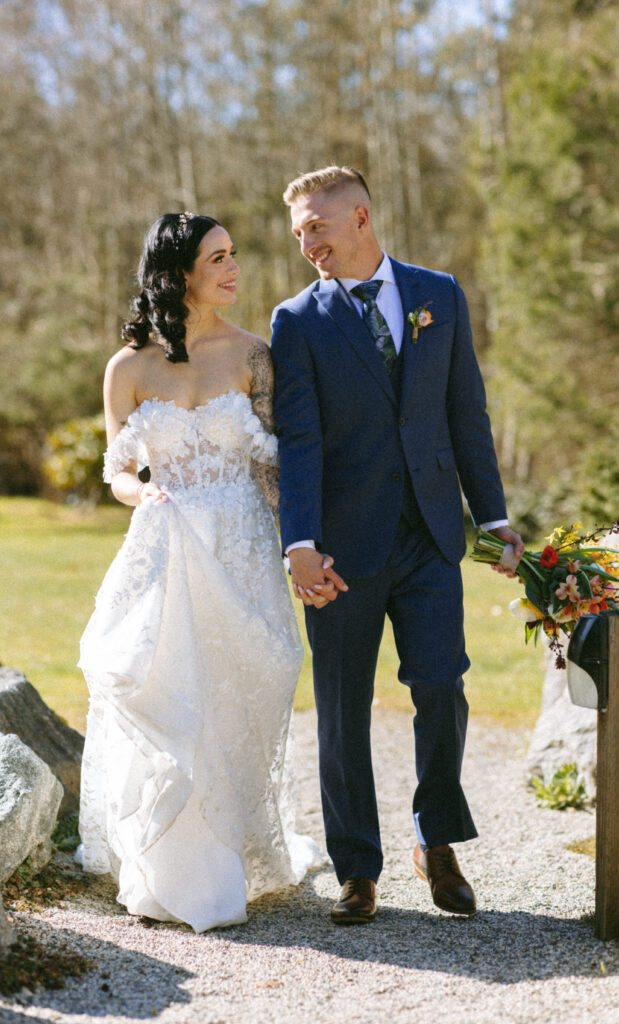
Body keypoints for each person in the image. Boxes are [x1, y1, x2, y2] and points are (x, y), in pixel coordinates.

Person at [271, 166, 524, 925]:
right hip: (342, 550)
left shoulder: (437, 295)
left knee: (441, 685)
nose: (307, 242)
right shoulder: (298, 320)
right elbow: (301, 440)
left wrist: (494, 516)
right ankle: (357, 869)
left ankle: (437, 840)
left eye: (317, 225)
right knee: (341, 708)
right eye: (297, 233)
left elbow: (465, 412)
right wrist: (301, 543)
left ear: (360, 217)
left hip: (430, 533)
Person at [77, 212, 319, 933]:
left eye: (233, 255)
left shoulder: (254, 355)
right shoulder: (128, 366)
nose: (233, 268)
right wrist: (139, 491)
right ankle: (167, 868)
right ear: (180, 271)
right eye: (218, 258)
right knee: (160, 686)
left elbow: (277, 466)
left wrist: (303, 544)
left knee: (244, 688)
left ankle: (235, 852)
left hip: (240, 548)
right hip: (164, 543)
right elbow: (116, 471)